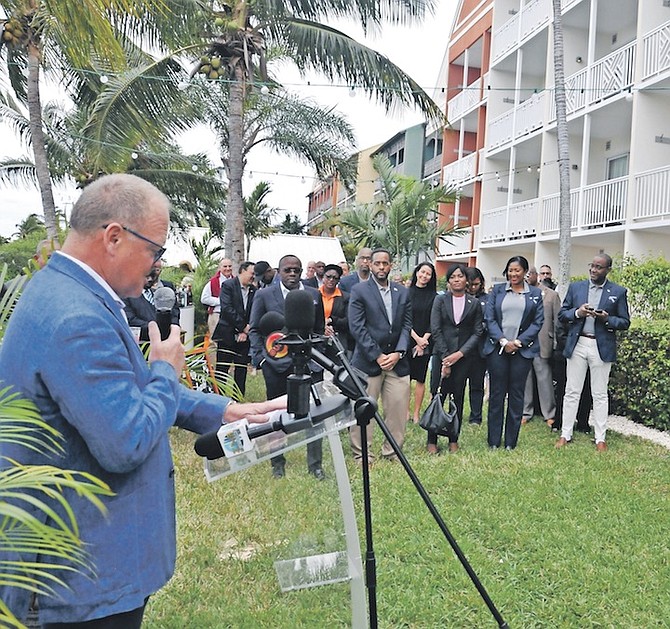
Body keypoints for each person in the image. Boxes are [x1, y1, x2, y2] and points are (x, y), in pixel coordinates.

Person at [0, 174, 285, 628]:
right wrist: (166, 369)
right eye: (155, 250)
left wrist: (222, 410)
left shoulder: (71, 292)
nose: (156, 265)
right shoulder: (76, 317)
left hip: (91, 565)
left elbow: (122, 388)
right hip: (83, 582)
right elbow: (126, 440)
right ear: (113, 236)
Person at [249, 254, 326, 480]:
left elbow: (319, 328)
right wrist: (261, 359)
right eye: (287, 270)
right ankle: (277, 462)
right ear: (279, 272)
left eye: (296, 270)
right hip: (276, 366)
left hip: (307, 364)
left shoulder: (312, 295)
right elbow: (254, 329)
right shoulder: (264, 295)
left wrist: (316, 355)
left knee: (315, 414)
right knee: (276, 415)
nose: (292, 274)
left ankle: (315, 465)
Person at [555, 253, 630, 452]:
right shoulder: (576, 287)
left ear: (608, 270)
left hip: (601, 345)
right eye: (592, 266)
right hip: (579, 343)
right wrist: (578, 313)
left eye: (599, 267)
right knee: (572, 391)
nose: (594, 270)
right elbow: (563, 314)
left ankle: (600, 438)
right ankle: (565, 434)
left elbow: (625, 322)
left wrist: (606, 319)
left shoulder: (618, 291)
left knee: (599, 393)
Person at [348, 248, 412, 463]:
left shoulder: (402, 292)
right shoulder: (359, 291)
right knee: (364, 410)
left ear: (391, 265)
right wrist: (377, 355)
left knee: (397, 410)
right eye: (377, 263)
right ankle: (363, 455)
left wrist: (399, 352)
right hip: (368, 362)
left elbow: (406, 325)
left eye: (385, 263)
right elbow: (357, 327)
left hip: (397, 363)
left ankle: (392, 452)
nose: (381, 267)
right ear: (370, 265)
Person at [483, 256, 544, 450]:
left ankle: (511, 442)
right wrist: (503, 341)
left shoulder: (535, 293)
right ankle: (493, 441)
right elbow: (489, 318)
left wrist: (518, 342)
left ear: (525, 272)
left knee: (517, 396)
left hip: (522, 351)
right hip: (498, 349)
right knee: (496, 395)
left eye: (517, 270)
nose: (513, 274)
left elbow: (537, 322)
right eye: (510, 270)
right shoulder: (497, 291)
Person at [428, 263, 483, 453]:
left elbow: (477, 332)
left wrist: (460, 354)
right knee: (438, 396)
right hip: (441, 356)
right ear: (448, 281)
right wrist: (446, 358)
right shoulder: (440, 301)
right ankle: (432, 440)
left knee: (457, 398)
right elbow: (435, 329)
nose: (457, 280)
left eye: (460, 276)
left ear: (466, 280)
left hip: (463, 358)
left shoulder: (473, 303)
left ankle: (453, 438)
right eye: (453, 277)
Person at [522, 266, 561, 427]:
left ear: (536, 276)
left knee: (544, 379)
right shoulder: (519, 294)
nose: (525, 278)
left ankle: (549, 414)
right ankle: (526, 412)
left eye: (528, 274)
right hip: (523, 343)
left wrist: (557, 344)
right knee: (525, 379)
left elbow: (558, 322)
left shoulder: (551, 295)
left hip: (543, 342)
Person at [213, 261, 256, 396]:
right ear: (242, 271)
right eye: (252, 273)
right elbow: (227, 309)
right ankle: (219, 400)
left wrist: (246, 331)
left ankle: (238, 399)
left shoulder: (254, 290)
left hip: (245, 338)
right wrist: (242, 327)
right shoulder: (228, 286)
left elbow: (254, 311)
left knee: (241, 370)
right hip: (227, 335)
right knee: (222, 370)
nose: (253, 276)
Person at [407, 262, 437, 424]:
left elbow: (434, 320)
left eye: (428, 274)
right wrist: (416, 338)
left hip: (425, 342)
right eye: (422, 272)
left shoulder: (434, 296)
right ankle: (405, 411)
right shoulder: (406, 293)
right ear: (417, 272)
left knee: (420, 378)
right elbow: (404, 319)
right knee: (405, 378)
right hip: (407, 339)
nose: (424, 276)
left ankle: (417, 413)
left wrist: (423, 340)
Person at [123, 259, 180, 342]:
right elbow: (131, 320)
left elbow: (174, 312)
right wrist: (156, 328)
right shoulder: (126, 292)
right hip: (143, 343)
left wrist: (173, 328)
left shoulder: (161, 292)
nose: (149, 279)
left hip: (167, 341)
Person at [464, 267, 488, 425]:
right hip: (461, 348)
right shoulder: (458, 297)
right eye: (470, 284)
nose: (473, 288)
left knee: (477, 385)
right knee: (456, 385)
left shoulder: (487, 299)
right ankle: (454, 412)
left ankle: (476, 416)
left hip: (479, 348)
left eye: (477, 284)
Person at [200, 258, 233, 362]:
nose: (227, 268)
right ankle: (213, 367)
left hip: (231, 316)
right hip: (216, 315)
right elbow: (204, 299)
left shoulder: (235, 281)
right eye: (225, 266)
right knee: (214, 342)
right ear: (220, 268)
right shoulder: (213, 282)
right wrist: (221, 301)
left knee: (229, 342)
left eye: (229, 266)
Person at [320, 263, 352, 352]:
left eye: (335, 278)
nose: (331, 280)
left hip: (338, 340)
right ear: (323, 277)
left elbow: (348, 321)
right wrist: (323, 327)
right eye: (328, 277)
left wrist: (332, 320)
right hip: (317, 339)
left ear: (338, 280)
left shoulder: (345, 297)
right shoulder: (314, 294)